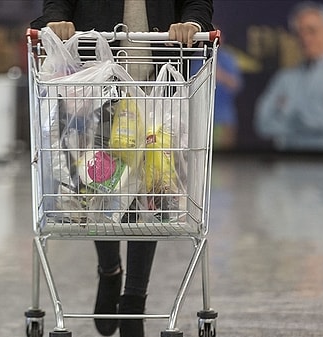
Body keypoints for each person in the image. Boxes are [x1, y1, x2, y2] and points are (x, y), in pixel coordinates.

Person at [30, 2, 214, 337]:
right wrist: (56, 20)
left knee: (151, 190)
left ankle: (134, 299)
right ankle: (110, 269)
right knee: (98, 182)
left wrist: (191, 22)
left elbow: (196, 2)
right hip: (96, 80)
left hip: (157, 79)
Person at [254, 1, 323, 152]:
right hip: (287, 167)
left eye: (311, 31)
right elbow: (263, 123)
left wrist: (287, 111)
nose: (305, 38)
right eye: (299, 32)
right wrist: (318, 110)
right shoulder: (284, 78)